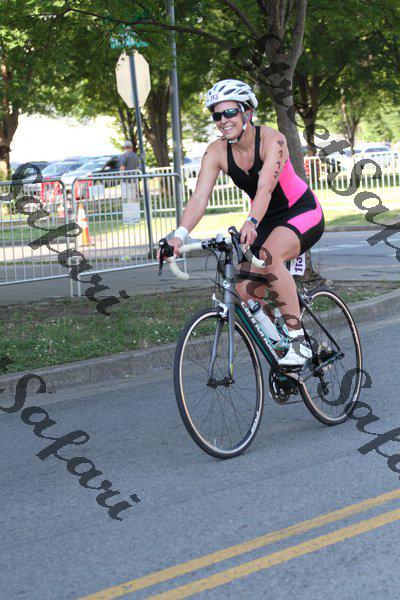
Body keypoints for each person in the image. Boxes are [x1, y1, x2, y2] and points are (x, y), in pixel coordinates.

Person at [165, 79, 325, 366]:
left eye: (230, 112)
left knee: (270, 256)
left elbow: (265, 188)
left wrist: (250, 221)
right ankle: (279, 344)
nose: (223, 120)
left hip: (300, 212)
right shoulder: (216, 151)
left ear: (247, 113)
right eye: (217, 115)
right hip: (264, 220)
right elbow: (199, 198)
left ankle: (298, 341)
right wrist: (179, 235)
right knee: (243, 286)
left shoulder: (273, 140)